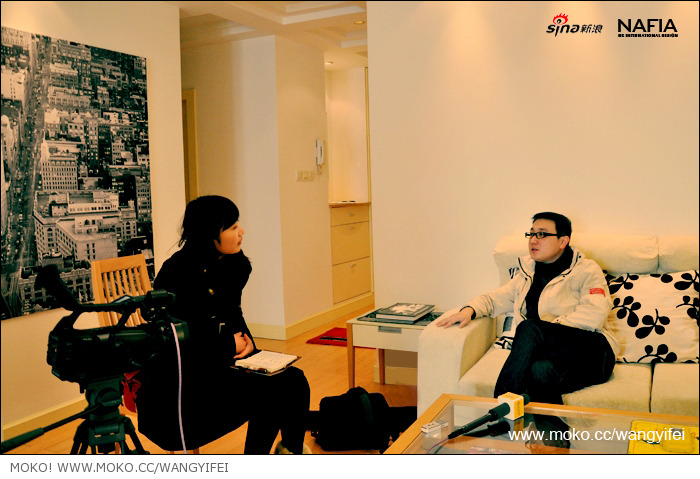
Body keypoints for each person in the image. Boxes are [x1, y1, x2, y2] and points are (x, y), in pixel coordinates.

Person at [135, 195, 310, 454]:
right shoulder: (176, 273)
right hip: (187, 387)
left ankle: (291, 451)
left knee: (294, 380)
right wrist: (229, 344)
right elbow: (179, 342)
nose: (241, 231)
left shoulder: (231, 264)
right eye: (232, 226)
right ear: (210, 234)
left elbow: (232, 312)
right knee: (272, 391)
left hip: (220, 364)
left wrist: (248, 344)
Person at [435, 212, 618, 406]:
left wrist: (544, 332)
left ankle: (500, 410)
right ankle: (550, 426)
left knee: (529, 328)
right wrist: (469, 310)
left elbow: (594, 314)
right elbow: (495, 299)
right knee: (539, 371)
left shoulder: (586, 270)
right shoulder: (527, 272)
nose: (533, 240)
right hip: (553, 357)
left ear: (563, 241)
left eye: (542, 234)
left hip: (593, 353)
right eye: (531, 234)